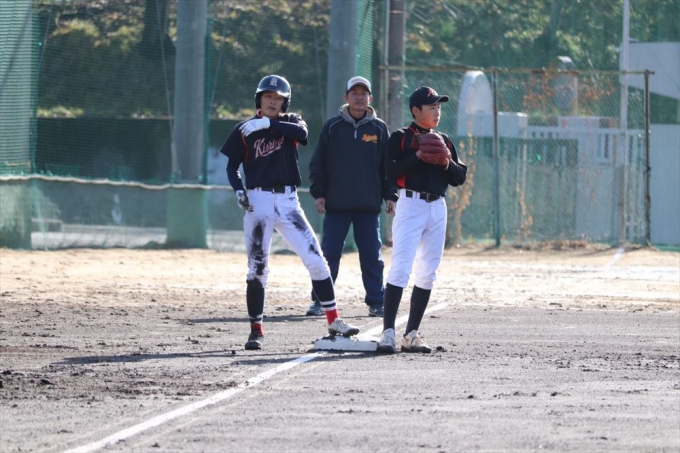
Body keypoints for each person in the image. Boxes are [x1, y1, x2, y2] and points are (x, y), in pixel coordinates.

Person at [219, 74, 360, 350]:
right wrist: (238, 189)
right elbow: (232, 166)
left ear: (285, 102)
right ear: (259, 99)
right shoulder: (245, 128)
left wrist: (267, 123)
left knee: (317, 260)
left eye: (278, 98)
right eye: (268, 96)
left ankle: (334, 320)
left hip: (288, 201)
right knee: (258, 268)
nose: (273, 102)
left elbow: (302, 135)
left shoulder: (292, 122)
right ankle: (256, 331)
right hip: (258, 200)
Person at [377, 86, 468, 354]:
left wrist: (446, 163)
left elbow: (460, 177)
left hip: (437, 207)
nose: (437, 112)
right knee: (401, 268)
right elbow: (390, 171)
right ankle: (388, 333)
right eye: (431, 107)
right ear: (416, 111)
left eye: (439, 107)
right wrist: (416, 155)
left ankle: (411, 335)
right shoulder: (401, 137)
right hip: (411, 204)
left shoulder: (443, 139)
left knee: (428, 271)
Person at [307, 76, 396, 318]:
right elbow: (318, 163)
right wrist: (319, 193)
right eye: (354, 93)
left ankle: (376, 302)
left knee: (372, 256)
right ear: (346, 97)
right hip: (337, 204)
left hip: (368, 206)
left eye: (363, 93)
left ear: (370, 98)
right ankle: (320, 301)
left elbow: (388, 167)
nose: (359, 97)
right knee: (328, 255)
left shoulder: (379, 128)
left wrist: (390, 195)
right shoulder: (332, 127)